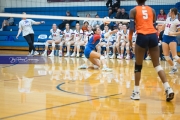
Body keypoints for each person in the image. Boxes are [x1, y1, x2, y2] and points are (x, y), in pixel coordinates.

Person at [128, 0, 174, 101]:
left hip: (141, 36)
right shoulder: (152, 10)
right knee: (157, 65)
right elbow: (154, 27)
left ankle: (136, 92)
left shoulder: (133, 10)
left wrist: (130, 40)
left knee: (138, 66)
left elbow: (131, 28)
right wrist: (152, 43)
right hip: (153, 36)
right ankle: (168, 88)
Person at [162, 8, 180, 74]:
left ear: (172, 12)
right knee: (166, 56)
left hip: (172, 38)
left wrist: (173, 33)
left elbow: (179, 31)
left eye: (169, 11)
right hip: (165, 37)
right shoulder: (167, 19)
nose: (169, 12)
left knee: (174, 56)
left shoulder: (177, 21)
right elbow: (163, 28)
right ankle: (174, 68)